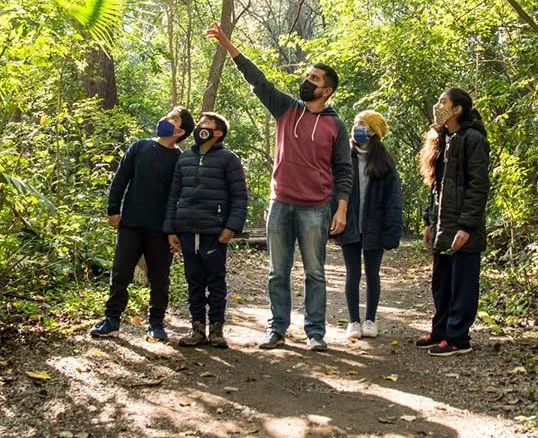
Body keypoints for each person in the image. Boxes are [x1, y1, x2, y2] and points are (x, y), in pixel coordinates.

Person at [205, 22, 352, 351]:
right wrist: (227, 44)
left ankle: (315, 332)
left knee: (315, 273)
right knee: (277, 273)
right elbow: (257, 80)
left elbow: (344, 169)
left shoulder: (336, 126)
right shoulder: (286, 108)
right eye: (308, 76)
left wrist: (341, 208)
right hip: (281, 203)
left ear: (327, 90)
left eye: (314, 79)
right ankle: (277, 329)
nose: (307, 81)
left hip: (316, 208)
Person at [91, 107, 195, 340]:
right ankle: (111, 320)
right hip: (130, 223)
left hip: (160, 229)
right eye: (168, 115)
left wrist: (175, 231)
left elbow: (179, 197)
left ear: (179, 132)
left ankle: (156, 323)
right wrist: (113, 210)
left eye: (173, 119)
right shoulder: (139, 147)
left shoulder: (180, 160)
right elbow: (120, 179)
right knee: (120, 273)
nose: (166, 119)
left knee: (160, 278)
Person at [164, 112, 248, 348]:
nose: (200, 126)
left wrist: (232, 226)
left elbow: (240, 196)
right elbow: (174, 195)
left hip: (214, 231)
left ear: (217, 133)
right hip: (187, 230)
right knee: (194, 281)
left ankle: (217, 330)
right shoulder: (184, 159)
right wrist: (171, 229)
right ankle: (197, 329)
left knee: (216, 281)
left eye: (206, 124)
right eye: (200, 123)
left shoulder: (228, 159)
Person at [416, 88, 490, 357]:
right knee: (442, 283)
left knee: (462, 285)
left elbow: (478, 186)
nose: (438, 106)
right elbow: (435, 187)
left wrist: (466, 226)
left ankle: (458, 338)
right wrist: (428, 220)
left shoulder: (473, 139)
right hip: (442, 226)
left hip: (463, 228)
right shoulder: (442, 139)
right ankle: (441, 331)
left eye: (443, 102)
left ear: (457, 109)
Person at [332, 110, 403, 340]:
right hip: (349, 224)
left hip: (375, 227)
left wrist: (390, 235)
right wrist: (330, 224)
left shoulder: (385, 164)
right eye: (356, 123)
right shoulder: (344, 157)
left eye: (362, 124)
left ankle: (370, 319)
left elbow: (393, 202)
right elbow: (333, 191)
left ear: (373, 131)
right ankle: (353, 321)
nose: (356, 128)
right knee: (352, 273)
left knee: (373, 273)